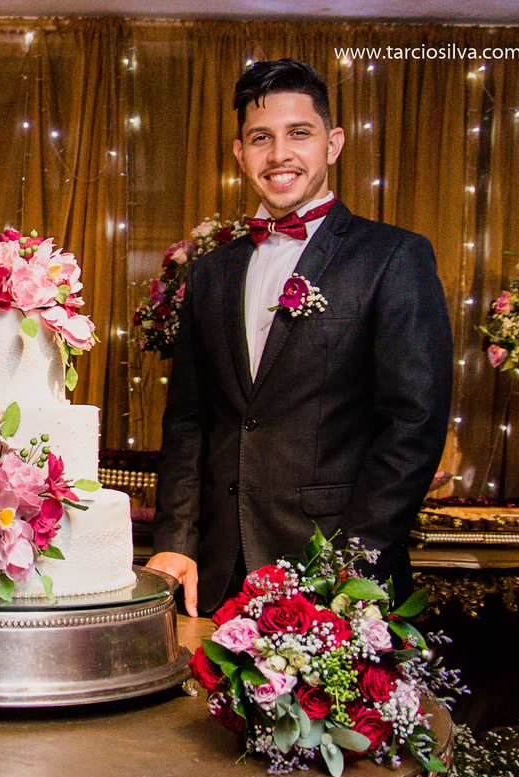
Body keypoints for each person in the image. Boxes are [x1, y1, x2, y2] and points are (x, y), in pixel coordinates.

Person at [149, 59, 452, 618]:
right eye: (261, 138)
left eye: (299, 133)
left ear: (333, 144)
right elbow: (189, 422)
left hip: (335, 573)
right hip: (217, 575)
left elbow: (413, 425)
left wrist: (350, 564)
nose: (279, 154)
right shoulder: (210, 272)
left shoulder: (394, 257)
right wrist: (176, 539)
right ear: (240, 153)